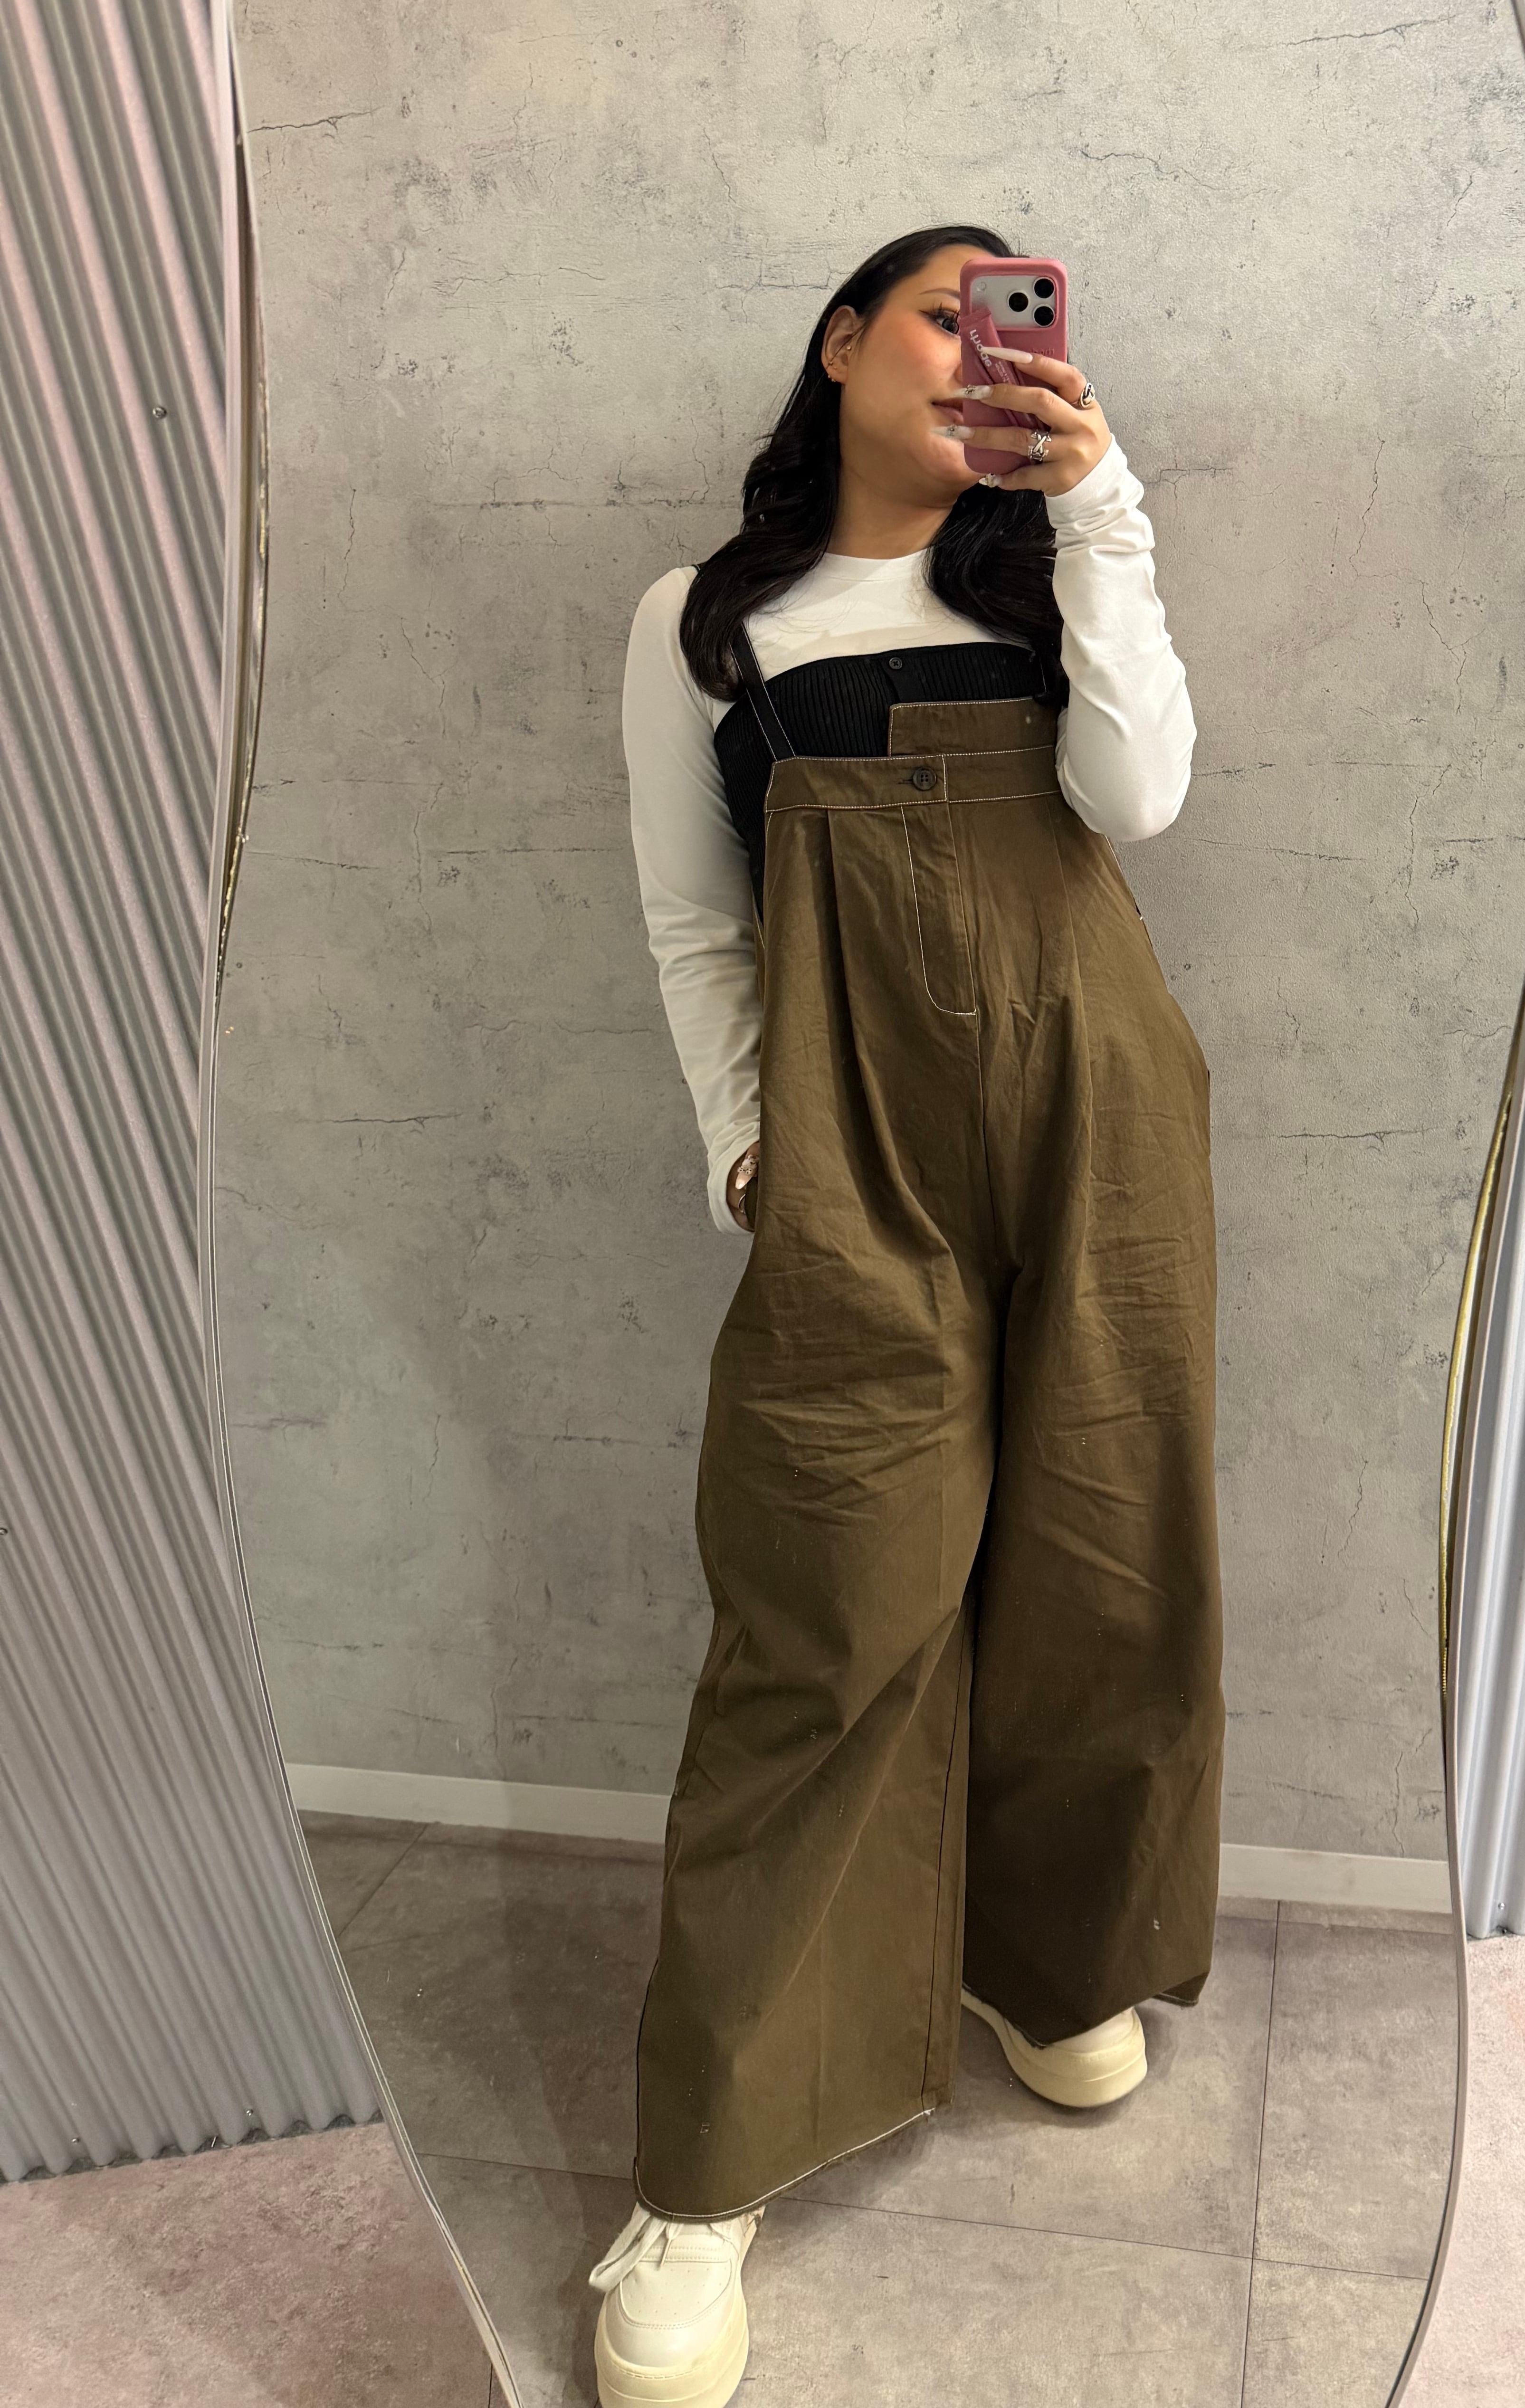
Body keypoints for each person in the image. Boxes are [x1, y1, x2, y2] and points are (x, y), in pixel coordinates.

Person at [598, 223, 1224, 2406]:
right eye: (949, 311)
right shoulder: (704, 624)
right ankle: (705, 2168)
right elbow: (695, 922)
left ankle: (1043, 1960)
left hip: (1098, 1116)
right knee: (826, 1614)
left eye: (1015, 321)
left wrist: (1100, 502)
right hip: (847, 1149)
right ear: (844, 338)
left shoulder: (1052, 578)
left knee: (1102, 1566)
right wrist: (747, 1155)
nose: (983, 349)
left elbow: (1139, 798)